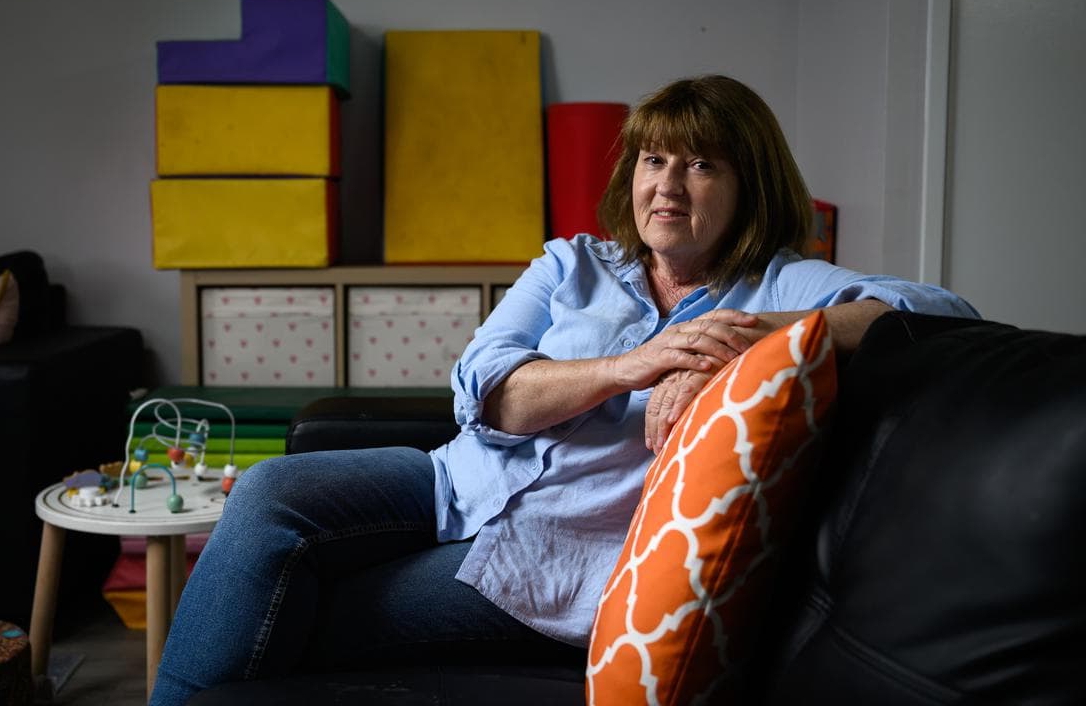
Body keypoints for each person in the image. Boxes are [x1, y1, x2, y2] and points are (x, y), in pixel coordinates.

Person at [149, 74, 978, 704]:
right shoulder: (572, 262)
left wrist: (752, 336)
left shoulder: (783, 284)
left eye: (701, 165)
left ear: (749, 185)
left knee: (313, 609)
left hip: (561, 552)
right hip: (456, 479)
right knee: (271, 491)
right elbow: (487, 388)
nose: (668, 186)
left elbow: (943, 313)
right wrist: (635, 364)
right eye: (654, 160)